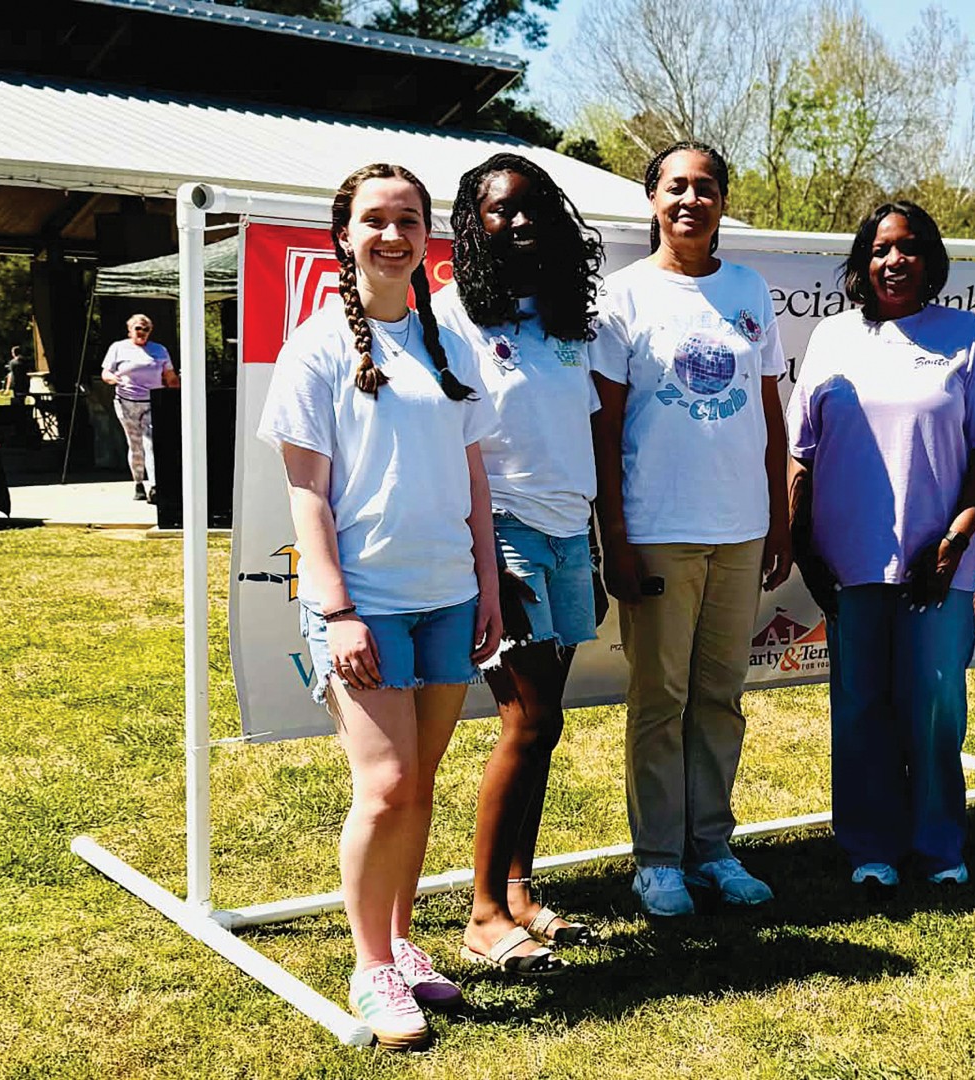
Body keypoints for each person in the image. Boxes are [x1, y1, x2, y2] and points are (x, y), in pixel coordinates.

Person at [256, 162, 501, 1050]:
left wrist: (488, 586)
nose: (392, 235)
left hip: (450, 598)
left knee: (420, 785)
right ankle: (369, 968)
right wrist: (340, 610)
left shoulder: (452, 345)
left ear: (427, 235)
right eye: (374, 220)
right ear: (345, 235)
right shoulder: (316, 347)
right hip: (364, 604)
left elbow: (475, 479)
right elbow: (306, 498)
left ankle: (400, 944)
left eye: (408, 219)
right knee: (386, 785)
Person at [785, 200, 975, 889]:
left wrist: (954, 538)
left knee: (935, 705)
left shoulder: (968, 335)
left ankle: (940, 846)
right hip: (847, 558)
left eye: (911, 248)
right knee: (860, 706)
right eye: (882, 249)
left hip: (936, 562)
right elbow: (803, 446)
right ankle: (869, 850)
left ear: (931, 261)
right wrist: (803, 542)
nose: (896, 261)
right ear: (863, 262)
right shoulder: (833, 336)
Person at [591, 141, 792, 917]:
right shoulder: (624, 296)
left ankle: (713, 849)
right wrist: (615, 530)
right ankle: (658, 860)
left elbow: (770, 415)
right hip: (658, 527)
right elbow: (604, 427)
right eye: (676, 187)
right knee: (660, 698)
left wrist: (777, 518)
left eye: (706, 188)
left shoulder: (749, 289)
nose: (691, 200)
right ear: (652, 200)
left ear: (722, 203)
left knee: (720, 695)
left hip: (740, 529)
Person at [433, 153, 606, 972]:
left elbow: (576, 441)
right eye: (502, 209)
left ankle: (522, 892)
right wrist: (484, 563)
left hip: (571, 536)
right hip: (501, 533)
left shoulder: (567, 320)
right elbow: (445, 446)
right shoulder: (452, 319)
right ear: (474, 222)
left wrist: (596, 550)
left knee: (546, 726)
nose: (522, 221)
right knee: (524, 720)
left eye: (535, 206)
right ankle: (481, 914)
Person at [102, 313, 180, 502]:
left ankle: (154, 485)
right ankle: (138, 483)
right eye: (138, 328)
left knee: (151, 442)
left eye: (146, 329)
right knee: (135, 444)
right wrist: (112, 379)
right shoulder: (118, 348)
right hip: (126, 401)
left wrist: (179, 386)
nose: (142, 333)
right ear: (130, 330)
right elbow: (106, 372)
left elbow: (170, 376)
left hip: (152, 401)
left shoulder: (159, 350)